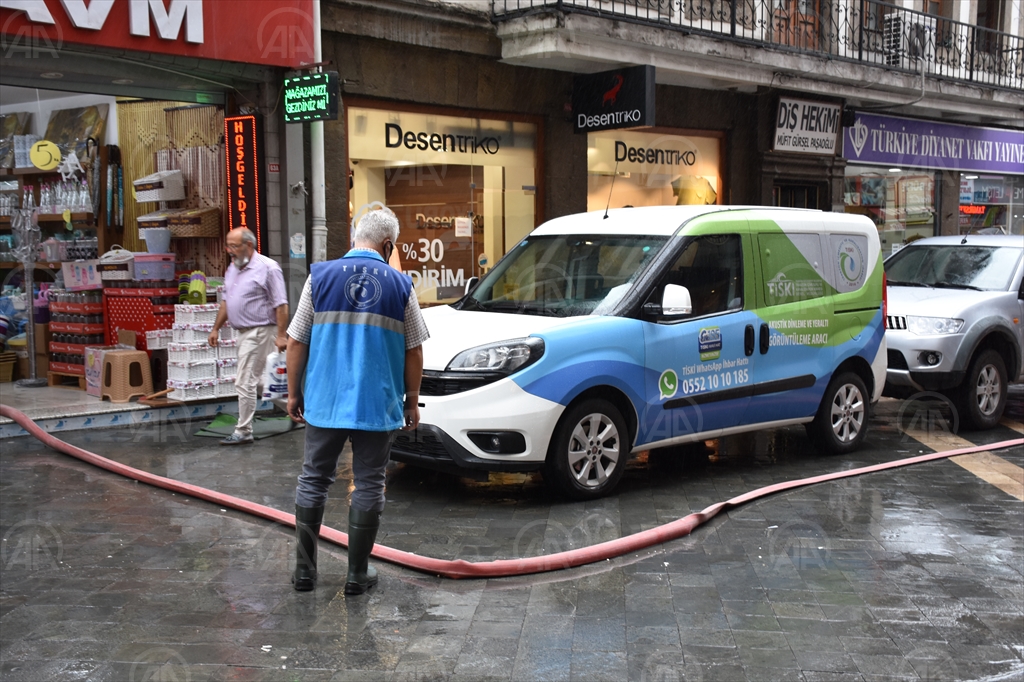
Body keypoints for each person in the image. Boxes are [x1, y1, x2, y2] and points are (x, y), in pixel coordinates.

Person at [285, 207, 427, 594]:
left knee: (313, 479)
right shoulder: (400, 285)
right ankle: (356, 574)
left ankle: (304, 572)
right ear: (388, 245)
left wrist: (294, 392)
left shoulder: (320, 276)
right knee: (369, 483)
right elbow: (414, 350)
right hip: (375, 404)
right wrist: (411, 401)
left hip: (325, 401)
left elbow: (297, 340)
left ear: (354, 238)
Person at [209, 228, 289, 445]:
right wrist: (216, 327)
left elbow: (281, 304)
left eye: (234, 246)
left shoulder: (268, 268)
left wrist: (281, 335)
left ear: (249, 246)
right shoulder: (232, 268)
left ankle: (243, 430)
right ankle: (300, 410)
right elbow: (226, 300)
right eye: (228, 246)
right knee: (262, 382)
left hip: (261, 330)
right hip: (243, 332)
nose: (230, 251)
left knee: (245, 381)